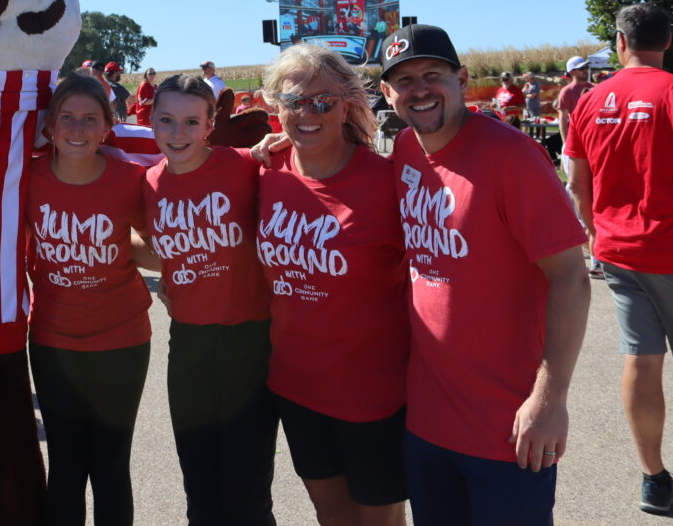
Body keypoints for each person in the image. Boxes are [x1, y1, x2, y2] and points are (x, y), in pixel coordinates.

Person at [380, 24, 589, 526]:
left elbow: (571, 278)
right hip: (428, 423)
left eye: (432, 74)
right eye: (404, 81)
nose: (420, 90)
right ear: (388, 93)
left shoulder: (511, 155)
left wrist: (549, 398)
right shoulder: (406, 150)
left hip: (508, 426)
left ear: (462, 80)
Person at [257, 46, 408, 525]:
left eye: (322, 101)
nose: (308, 113)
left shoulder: (389, 182)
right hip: (295, 385)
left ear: (347, 104)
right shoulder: (262, 172)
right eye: (294, 100)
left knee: (378, 519)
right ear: (274, 106)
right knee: (331, 514)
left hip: (373, 394)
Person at [563, 3, 673, 515]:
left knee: (641, 359)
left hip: (618, 249)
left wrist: (597, 234)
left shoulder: (590, 101)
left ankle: (655, 480)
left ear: (620, 43)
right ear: (667, 42)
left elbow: (578, 183)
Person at [142, 74, 275, 526]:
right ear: (151, 120)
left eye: (191, 122)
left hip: (250, 343)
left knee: (247, 490)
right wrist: (169, 281)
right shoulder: (150, 182)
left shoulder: (246, 166)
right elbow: (156, 247)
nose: (178, 133)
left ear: (209, 124)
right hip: (190, 346)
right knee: (198, 484)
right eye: (166, 120)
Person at [26, 73, 150, 526]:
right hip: (54, 342)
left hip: (122, 340)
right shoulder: (29, 179)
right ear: (50, 126)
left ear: (106, 128)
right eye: (67, 118)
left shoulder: (131, 179)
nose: (77, 129)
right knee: (66, 464)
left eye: (89, 119)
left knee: (110, 465)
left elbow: (156, 247)